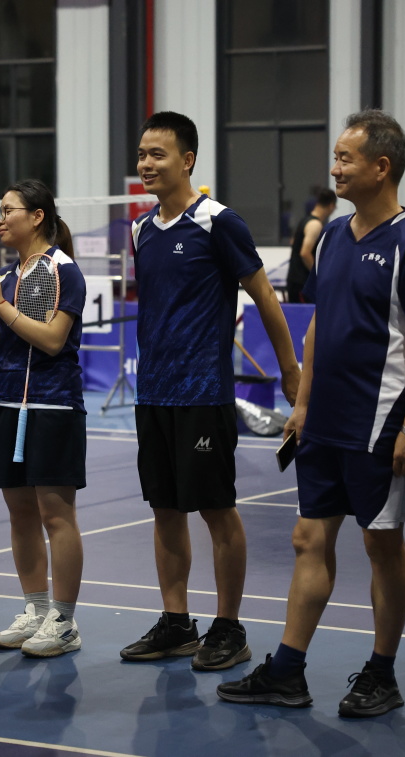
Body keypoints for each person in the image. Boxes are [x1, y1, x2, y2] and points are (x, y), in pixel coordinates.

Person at [218, 109, 405, 716]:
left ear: (382, 166)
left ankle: (382, 673)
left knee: (381, 545)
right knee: (307, 538)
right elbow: (320, 324)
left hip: (380, 423)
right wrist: (302, 403)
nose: (335, 168)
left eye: (346, 158)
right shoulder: (334, 237)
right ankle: (287, 671)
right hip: (323, 420)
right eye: (336, 157)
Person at [120, 111, 301, 672]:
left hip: (204, 395)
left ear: (188, 160)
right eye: (142, 154)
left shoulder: (219, 222)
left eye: (158, 154)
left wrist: (290, 371)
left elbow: (264, 296)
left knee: (217, 511)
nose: (146, 164)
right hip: (153, 395)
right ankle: (177, 623)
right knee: (165, 510)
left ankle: (229, 627)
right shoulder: (141, 231)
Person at [0, 180, 87, 658]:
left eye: (8, 211)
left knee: (56, 515)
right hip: (5, 403)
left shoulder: (64, 271)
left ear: (38, 216)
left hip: (52, 405)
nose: (0, 219)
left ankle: (64, 621)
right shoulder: (5, 277)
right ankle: (35, 609)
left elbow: (51, 340)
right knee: (21, 514)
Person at [285, 187, 336, 303]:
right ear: (331, 206)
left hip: (296, 281)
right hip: (301, 283)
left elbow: (293, 242)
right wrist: (319, 274)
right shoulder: (315, 224)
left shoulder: (305, 220)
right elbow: (305, 253)